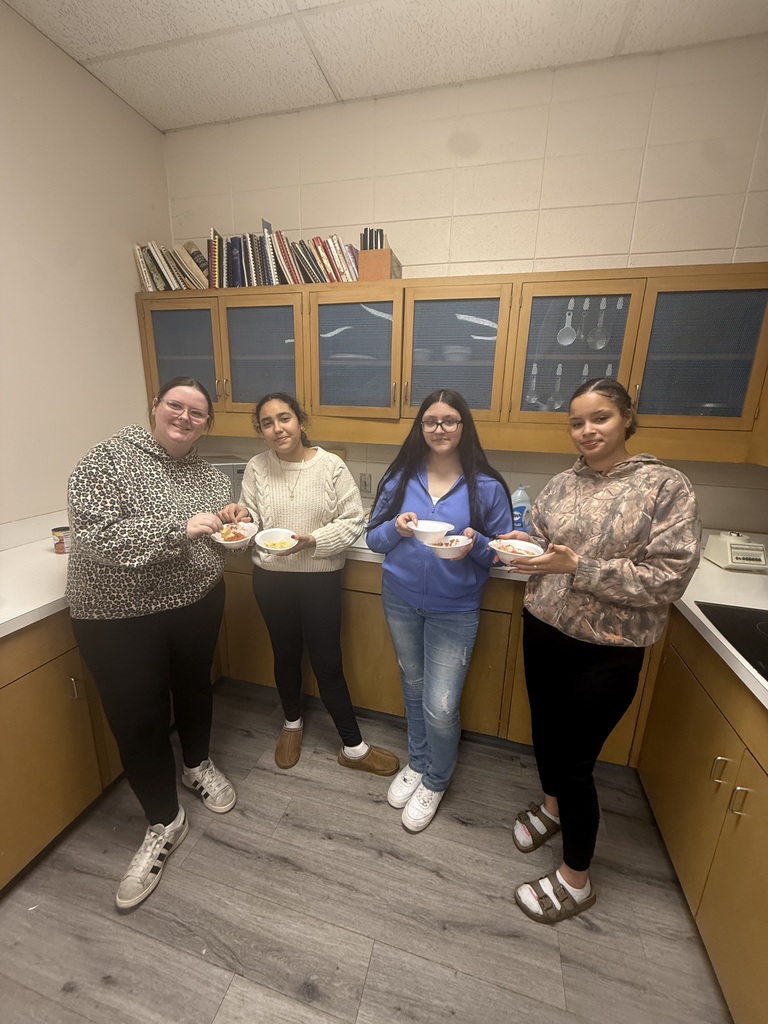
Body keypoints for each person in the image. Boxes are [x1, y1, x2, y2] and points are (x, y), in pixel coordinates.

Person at [499, 377, 701, 924]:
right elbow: (540, 538)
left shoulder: (664, 487)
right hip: (544, 628)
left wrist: (578, 568)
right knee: (544, 730)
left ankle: (575, 880)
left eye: (600, 418)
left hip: (607, 649)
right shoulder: (563, 483)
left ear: (626, 418)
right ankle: (552, 809)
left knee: (575, 760)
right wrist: (521, 547)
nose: (587, 431)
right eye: (576, 422)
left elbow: (668, 577)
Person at [67, 377, 247, 911]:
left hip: (196, 603)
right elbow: (99, 538)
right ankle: (164, 820)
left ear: (207, 424)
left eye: (197, 412)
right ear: (155, 407)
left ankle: (196, 765)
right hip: (118, 615)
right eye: (176, 406)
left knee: (195, 688)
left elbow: (220, 544)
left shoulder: (211, 476)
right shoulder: (106, 461)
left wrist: (236, 522)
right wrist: (181, 529)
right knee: (138, 717)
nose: (185, 417)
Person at [366, 389, 514, 832]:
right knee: (412, 687)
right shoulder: (399, 478)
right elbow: (373, 541)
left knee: (441, 705)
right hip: (400, 598)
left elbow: (504, 553)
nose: (440, 428)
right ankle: (417, 760)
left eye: (450, 420)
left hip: (456, 608)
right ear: (420, 427)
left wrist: (477, 544)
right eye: (431, 421)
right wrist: (395, 527)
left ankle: (435, 779)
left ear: (464, 427)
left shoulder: (486, 486)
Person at [238, 392, 399, 778]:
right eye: (267, 423)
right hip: (271, 579)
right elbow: (250, 522)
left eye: (284, 418)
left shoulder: (331, 466)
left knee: (328, 663)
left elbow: (352, 520)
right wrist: (239, 516)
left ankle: (352, 746)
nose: (278, 428)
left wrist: (314, 541)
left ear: (301, 421)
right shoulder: (256, 468)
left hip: (319, 578)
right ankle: (291, 725)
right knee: (285, 655)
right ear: (261, 432)